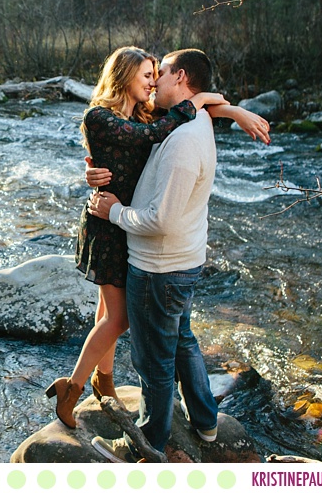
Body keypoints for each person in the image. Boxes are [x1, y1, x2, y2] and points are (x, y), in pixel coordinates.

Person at [44, 47, 270, 430]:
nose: (152, 82)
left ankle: (105, 380)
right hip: (109, 224)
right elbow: (154, 133)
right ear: (124, 76)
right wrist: (199, 99)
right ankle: (73, 386)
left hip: (125, 219)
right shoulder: (99, 116)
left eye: (156, 74)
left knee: (108, 313)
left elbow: (185, 115)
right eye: (146, 75)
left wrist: (231, 111)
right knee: (119, 318)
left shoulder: (147, 111)